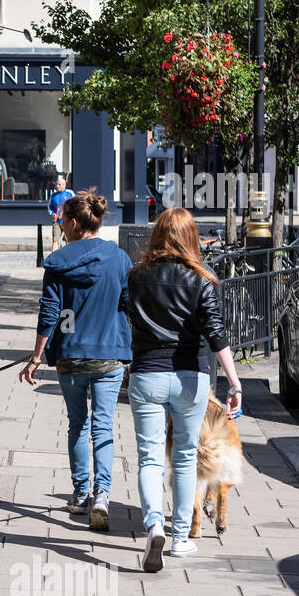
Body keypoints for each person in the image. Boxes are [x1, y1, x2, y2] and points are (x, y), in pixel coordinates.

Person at [124, 208, 242, 572]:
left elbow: (125, 316)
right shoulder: (202, 280)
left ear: (157, 234)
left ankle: (154, 525)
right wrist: (234, 381)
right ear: (191, 238)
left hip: (146, 374)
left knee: (149, 457)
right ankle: (179, 540)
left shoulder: (136, 276)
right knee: (187, 455)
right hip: (190, 377)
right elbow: (216, 334)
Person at [20, 190, 132, 530]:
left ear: (72, 222)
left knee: (78, 424)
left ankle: (81, 494)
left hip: (70, 355)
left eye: (62, 221)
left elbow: (51, 313)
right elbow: (128, 304)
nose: (61, 226)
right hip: (109, 355)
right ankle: (102, 494)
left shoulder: (58, 263)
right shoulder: (119, 259)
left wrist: (36, 356)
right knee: (102, 426)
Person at [48, 175, 75, 253]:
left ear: (64, 185)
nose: (57, 186)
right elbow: (50, 207)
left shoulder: (70, 193)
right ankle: (54, 258)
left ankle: (68, 257)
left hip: (67, 221)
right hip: (57, 221)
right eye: (57, 184)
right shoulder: (53, 195)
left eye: (59, 184)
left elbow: (76, 205)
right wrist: (52, 213)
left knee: (68, 240)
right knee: (55, 240)